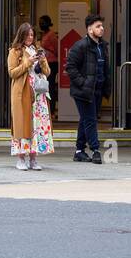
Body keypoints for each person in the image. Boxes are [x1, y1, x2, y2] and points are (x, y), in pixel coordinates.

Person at [65, 13, 111, 164]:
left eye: (102, 26)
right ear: (90, 29)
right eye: (98, 26)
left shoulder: (102, 46)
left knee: (85, 119)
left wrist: (106, 86)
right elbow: (70, 67)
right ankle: (96, 150)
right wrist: (83, 83)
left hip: (97, 89)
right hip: (84, 91)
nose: (102, 28)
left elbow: (105, 68)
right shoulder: (81, 46)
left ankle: (79, 151)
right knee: (90, 120)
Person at [8, 22, 53, 170]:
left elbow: (47, 72)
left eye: (32, 34)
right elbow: (12, 72)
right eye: (27, 34)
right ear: (21, 35)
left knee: (37, 125)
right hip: (22, 93)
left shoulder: (36, 49)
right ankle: (21, 158)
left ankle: (34, 158)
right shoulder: (15, 51)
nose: (30, 37)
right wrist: (28, 62)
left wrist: (42, 60)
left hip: (38, 94)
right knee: (23, 124)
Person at [38, 15, 59, 109]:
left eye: (42, 22)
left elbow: (56, 48)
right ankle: (47, 106)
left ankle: (52, 107)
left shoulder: (51, 35)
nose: (41, 24)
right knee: (45, 85)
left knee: (50, 85)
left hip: (52, 63)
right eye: (40, 23)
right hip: (45, 62)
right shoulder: (44, 34)